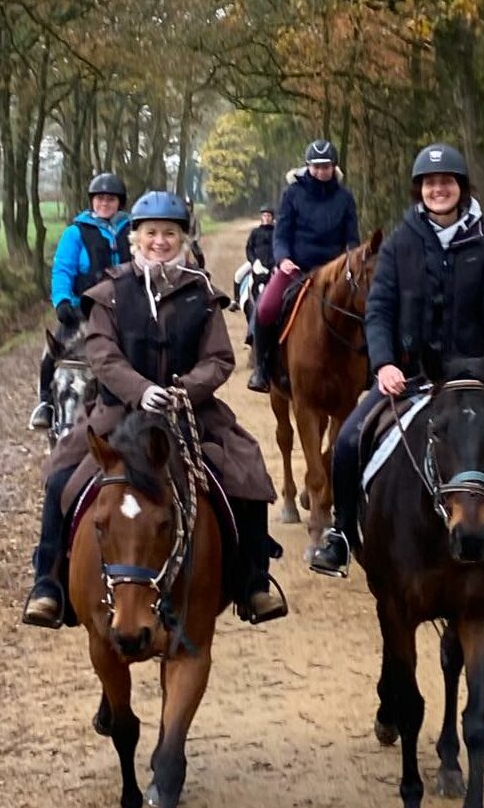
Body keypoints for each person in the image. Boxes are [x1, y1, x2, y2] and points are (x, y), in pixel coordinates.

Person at [20, 191, 287, 629]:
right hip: (117, 414)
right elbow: (102, 356)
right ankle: (48, 584)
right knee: (61, 478)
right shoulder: (106, 293)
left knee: (246, 470)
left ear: (182, 238)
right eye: (150, 233)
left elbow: (220, 359)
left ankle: (254, 582)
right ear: (134, 239)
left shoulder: (201, 293)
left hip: (189, 415)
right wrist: (140, 391)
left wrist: (185, 389)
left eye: (169, 233)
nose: (159, 241)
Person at [307, 143, 484, 583]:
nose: (438, 189)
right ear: (419, 190)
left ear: (461, 189)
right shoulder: (400, 245)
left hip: (474, 379)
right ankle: (343, 535)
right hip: (409, 377)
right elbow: (380, 310)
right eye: (430, 183)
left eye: (447, 183)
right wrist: (384, 363)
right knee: (348, 441)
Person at [247, 140, 360, 393]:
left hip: (335, 271)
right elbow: (281, 233)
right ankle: (263, 368)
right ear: (307, 166)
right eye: (316, 167)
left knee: (363, 305)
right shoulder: (292, 194)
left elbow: (352, 238)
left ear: (334, 167)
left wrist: (351, 261)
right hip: (296, 268)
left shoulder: (345, 198)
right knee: (266, 308)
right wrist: (283, 258)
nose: (321, 172)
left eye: (326, 166)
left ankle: (369, 367)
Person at [29, 172, 131, 431]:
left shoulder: (132, 230)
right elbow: (62, 269)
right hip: (82, 312)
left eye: (110, 199)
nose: (104, 203)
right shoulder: (75, 233)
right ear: (91, 201)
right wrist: (62, 301)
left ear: (120, 202)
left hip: (125, 312)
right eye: (99, 199)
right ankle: (46, 404)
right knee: (52, 355)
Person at [239, 206, 277, 345]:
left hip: (273, 267)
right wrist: (254, 262)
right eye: (264, 215)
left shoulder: (276, 232)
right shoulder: (255, 232)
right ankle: (237, 300)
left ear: (273, 218)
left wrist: (275, 265)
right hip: (256, 264)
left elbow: (279, 249)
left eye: (269, 216)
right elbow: (249, 248)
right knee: (238, 275)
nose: (266, 218)